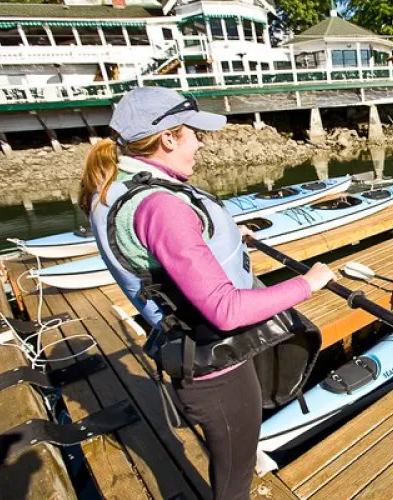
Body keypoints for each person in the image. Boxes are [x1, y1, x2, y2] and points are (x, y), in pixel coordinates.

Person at [77, 87, 336, 500]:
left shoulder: (112, 187)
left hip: (192, 360)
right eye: (194, 133)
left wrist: (223, 235)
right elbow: (226, 309)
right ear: (167, 138)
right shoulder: (160, 206)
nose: (200, 143)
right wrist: (309, 283)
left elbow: (161, 254)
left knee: (230, 465)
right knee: (234, 482)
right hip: (218, 374)